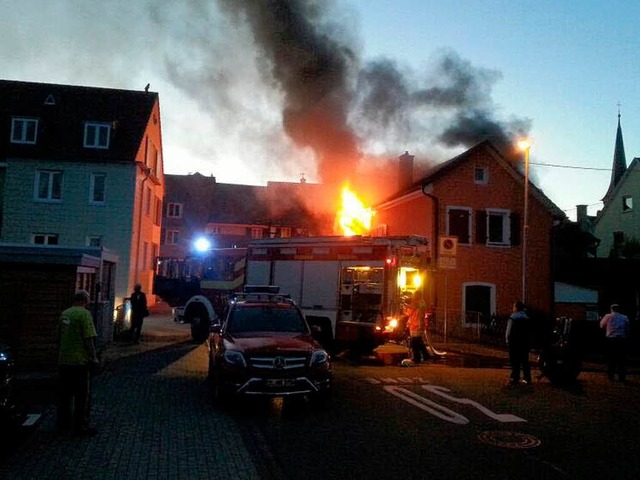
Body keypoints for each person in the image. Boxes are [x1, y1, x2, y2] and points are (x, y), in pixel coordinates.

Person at [56, 290, 99, 436]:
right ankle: (80, 425)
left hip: (63, 359)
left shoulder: (65, 314)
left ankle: (63, 424)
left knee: (64, 394)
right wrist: (93, 357)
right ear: (85, 301)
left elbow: (58, 336)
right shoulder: (84, 315)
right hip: (79, 361)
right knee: (81, 395)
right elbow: (88, 338)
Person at [600, 304, 630, 383]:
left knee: (611, 359)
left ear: (611, 309)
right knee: (621, 360)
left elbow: (602, 325)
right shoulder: (625, 317)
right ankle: (622, 377)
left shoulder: (608, 316)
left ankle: (611, 376)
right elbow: (627, 328)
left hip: (611, 340)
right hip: (621, 340)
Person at [506, 301, 532, 385]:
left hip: (514, 342)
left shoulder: (513, 318)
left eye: (514, 306)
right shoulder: (526, 318)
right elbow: (529, 332)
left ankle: (515, 377)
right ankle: (527, 378)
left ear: (516, 308)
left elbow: (508, 331)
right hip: (524, 342)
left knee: (515, 361)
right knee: (525, 361)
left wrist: (507, 340)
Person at [405, 291, 429, 364]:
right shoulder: (422, 303)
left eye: (414, 295)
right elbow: (422, 313)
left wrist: (405, 308)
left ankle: (416, 358)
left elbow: (409, 313)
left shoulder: (415, 303)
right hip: (419, 324)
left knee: (414, 342)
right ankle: (426, 355)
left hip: (415, 325)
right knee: (419, 341)